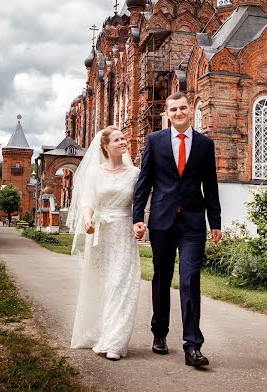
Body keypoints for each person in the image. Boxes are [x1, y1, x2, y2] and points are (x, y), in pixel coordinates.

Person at [133, 92, 222, 368]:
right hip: (161, 219)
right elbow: (144, 182)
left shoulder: (205, 144)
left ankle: (193, 345)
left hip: (193, 223)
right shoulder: (154, 141)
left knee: (190, 279)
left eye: (183, 107)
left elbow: (211, 185)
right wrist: (138, 217)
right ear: (168, 114)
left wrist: (215, 222)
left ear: (191, 110)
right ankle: (159, 332)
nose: (178, 112)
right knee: (162, 278)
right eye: (173, 109)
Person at [67, 126, 141, 361]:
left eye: (124, 138)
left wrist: (140, 224)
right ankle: (98, 332)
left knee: (121, 285)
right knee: (101, 284)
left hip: (123, 233)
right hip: (100, 234)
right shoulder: (95, 173)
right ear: (106, 146)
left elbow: (139, 205)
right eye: (117, 139)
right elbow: (88, 200)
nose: (123, 141)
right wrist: (88, 219)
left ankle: (115, 342)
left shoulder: (135, 173)